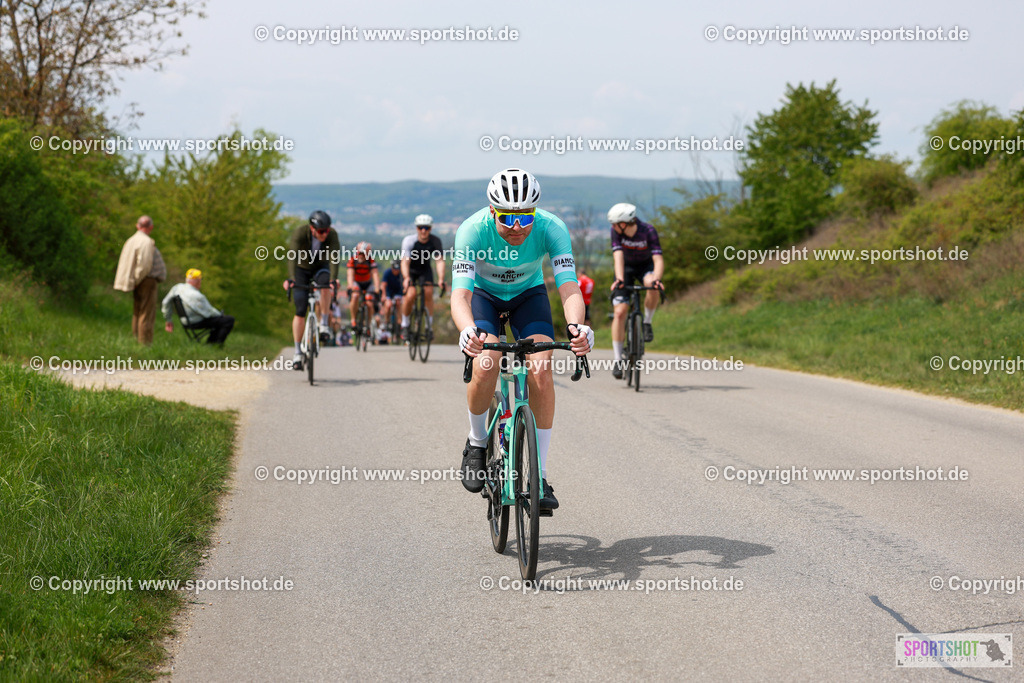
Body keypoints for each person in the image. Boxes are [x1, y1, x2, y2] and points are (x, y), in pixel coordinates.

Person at [451, 168, 592, 511]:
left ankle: (539, 474)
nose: (518, 227)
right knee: (486, 363)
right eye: (508, 217)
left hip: (529, 296)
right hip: (485, 297)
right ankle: (477, 441)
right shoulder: (472, 231)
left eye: (525, 216)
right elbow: (460, 296)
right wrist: (467, 330)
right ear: (492, 211)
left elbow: (568, 285)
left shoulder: (550, 227)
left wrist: (577, 326)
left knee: (541, 368)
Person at [608, 202, 664, 379]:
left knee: (651, 285)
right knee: (620, 312)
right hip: (626, 269)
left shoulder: (648, 231)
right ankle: (618, 359)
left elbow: (658, 259)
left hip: (645, 267)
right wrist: (619, 279)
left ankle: (646, 322)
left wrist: (657, 279)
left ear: (624, 223)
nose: (613, 227)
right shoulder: (616, 232)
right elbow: (618, 257)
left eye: (615, 224)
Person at [283, 210, 341, 370]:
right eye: (322, 231)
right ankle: (297, 352)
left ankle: (323, 324)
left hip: (320, 267)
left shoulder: (331, 235)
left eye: (327, 230)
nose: (325, 234)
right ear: (312, 228)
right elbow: (292, 255)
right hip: (302, 268)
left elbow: (334, 257)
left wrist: (333, 279)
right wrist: (291, 278)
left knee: (325, 286)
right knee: (300, 310)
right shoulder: (300, 233)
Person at [113, 215, 167, 345]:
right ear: (151, 227)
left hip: (137, 280)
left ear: (138, 226)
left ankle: (135, 340)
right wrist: (137, 280)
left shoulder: (131, 240)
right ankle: (144, 344)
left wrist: (133, 281)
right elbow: (144, 265)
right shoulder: (146, 241)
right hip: (145, 280)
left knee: (137, 312)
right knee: (146, 313)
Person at [400, 214, 447, 340]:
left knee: (428, 292)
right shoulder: (409, 241)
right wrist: (406, 278)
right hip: (410, 271)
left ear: (430, 229)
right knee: (410, 295)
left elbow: (439, 261)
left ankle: (428, 327)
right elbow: (405, 262)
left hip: (425, 270)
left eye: (426, 228)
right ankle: (405, 324)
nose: (423, 230)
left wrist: (441, 279)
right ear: (417, 228)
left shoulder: (435, 241)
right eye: (421, 227)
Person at [161, 269, 235, 344]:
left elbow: (165, 302)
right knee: (228, 320)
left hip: (184, 320)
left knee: (219, 320)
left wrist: (168, 319)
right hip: (195, 322)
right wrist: (220, 315)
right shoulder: (197, 296)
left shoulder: (177, 288)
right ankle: (214, 343)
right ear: (197, 281)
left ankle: (212, 342)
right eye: (200, 280)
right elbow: (209, 312)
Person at [346, 241, 381, 332]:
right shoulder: (353, 260)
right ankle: (353, 320)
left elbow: (375, 274)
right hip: (357, 282)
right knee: (355, 296)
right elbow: (350, 274)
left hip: (368, 283)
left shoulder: (371, 261)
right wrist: (350, 286)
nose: (361, 255)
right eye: (360, 253)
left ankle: (368, 324)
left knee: (369, 303)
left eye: (363, 254)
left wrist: (377, 288)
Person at [379, 260, 404, 333]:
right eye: (394, 269)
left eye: (397, 269)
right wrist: (383, 295)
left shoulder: (402, 273)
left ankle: (400, 323)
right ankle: (387, 321)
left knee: (398, 304)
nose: (396, 271)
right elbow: (383, 285)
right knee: (388, 305)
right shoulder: (387, 272)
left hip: (398, 291)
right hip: (388, 292)